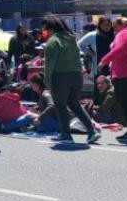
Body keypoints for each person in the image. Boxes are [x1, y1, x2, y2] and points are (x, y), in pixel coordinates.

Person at [43, 15, 100, 144]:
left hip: (61, 76)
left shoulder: (53, 41)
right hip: (77, 76)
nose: (45, 32)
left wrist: (47, 82)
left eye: (46, 29)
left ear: (51, 28)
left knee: (60, 105)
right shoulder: (71, 39)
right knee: (74, 104)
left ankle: (65, 135)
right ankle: (92, 131)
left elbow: (49, 64)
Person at [98, 17, 127, 141]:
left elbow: (120, 49)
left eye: (115, 27)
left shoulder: (125, 34)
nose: (114, 31)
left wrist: (104, 61)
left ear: (122, 24)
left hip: (125, 74)